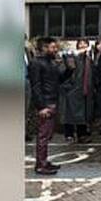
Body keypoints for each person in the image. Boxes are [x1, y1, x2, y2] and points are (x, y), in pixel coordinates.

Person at [28, 36, 73, 175]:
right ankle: (41, 165)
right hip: (46, 103)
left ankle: (44, 162)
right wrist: (41, 107)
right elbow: (35, 86)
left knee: (47, 135)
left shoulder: (51, 63)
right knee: (43, 135)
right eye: (52, 47)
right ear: (44, 48)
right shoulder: (36, 63)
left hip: (53, 101)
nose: (55, 50)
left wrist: (69, 70)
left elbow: (58, 80)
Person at [59, 39, 94, 144]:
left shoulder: (88, 59)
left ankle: (82, 135)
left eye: (85, 44)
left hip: (84, 90)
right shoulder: (72, 57)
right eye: (81, 44)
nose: (83, 46)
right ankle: (69, 135)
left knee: (82, 114)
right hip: (72, 89)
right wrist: (68, 87)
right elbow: (65, 70)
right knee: (69, 113)